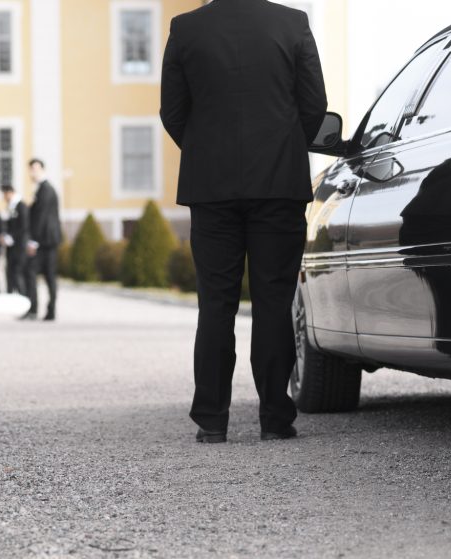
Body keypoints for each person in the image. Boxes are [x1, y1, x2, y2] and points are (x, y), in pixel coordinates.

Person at [161, 0, 327, 443]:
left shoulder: (185, 28)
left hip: (211, 187)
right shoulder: (292, 23)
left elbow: (172, 113)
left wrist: (204, 150)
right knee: (273, 300)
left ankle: (212, 421)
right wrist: (285, 145)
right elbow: (314, 107)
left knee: (215, 303)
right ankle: (275, 418)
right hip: (278, 182)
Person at [23, 159, 62, 322]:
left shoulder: (45, 189)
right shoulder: (42, 189)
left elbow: (41, 218)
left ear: (42, 170)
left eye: (35, 169)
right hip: (46, 240)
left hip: (45, 241)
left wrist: (33, 241)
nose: (32, 172)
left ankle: (41, 310)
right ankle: (42, 310)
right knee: (46, 276)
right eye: (31, 169)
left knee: (37, 274)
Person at [0, 185, 29, 295]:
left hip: (19, 246)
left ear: (10, 193)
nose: (4, 197)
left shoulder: (21, 206)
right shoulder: (10, 207)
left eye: (4, 194)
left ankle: (24, 298)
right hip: (11, 248)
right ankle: (10, 296)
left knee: (18, 273)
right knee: (10, 273)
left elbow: (24, 226)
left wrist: (10, 237)